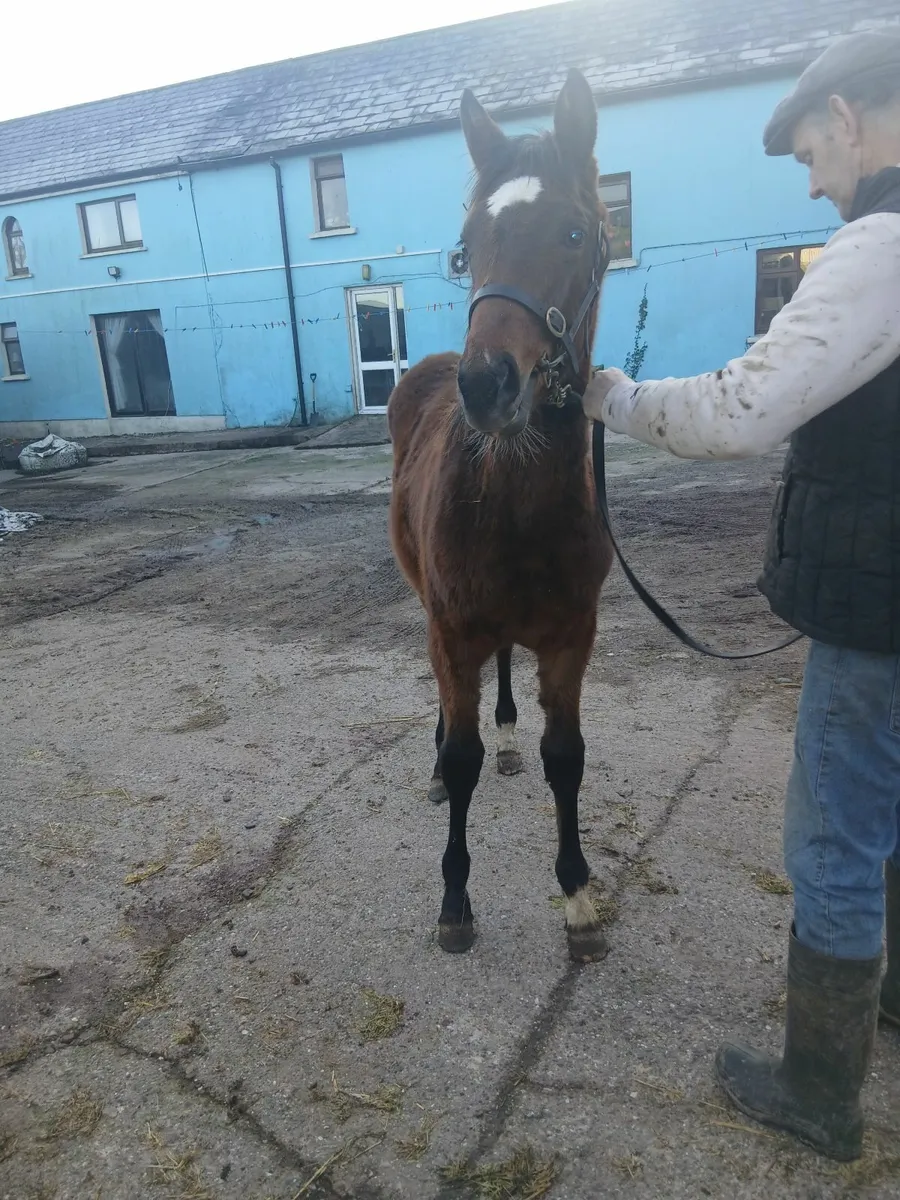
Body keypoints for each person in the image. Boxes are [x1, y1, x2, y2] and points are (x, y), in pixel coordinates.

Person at [583, 30, 900, 1162]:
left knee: (835, 837)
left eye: (814, 150)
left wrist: (613, 395)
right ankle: (887, 999)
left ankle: (819, 1092)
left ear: (854, 122)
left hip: (883, 621)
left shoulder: (878, 252)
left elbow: (739, 409)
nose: (814, 180)